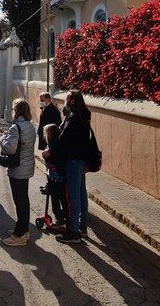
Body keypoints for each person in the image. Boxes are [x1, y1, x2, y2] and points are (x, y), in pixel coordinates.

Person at [56, 89, 92, 244]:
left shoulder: (73, 119)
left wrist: (62, 123)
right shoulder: (84, 117)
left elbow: (63, 139)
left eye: (66, 99)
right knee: (81, 194)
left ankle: (73, 231)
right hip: (82, 161)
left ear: (71, 101)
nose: (64, 102)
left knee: (74, 197)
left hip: (73, 161)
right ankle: (82, 227)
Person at [0, 98, 37, 246]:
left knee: (20, 201)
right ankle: (23, 229)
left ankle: (19, 234)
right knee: (23, 200)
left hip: (18, 168)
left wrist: (3, 137)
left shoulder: (16, 127)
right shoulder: (29, 125)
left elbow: (10, 148)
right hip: (27, 166)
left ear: (17, 111)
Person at [41, 123, 68, 230]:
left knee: (56, 201)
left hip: (56, 179)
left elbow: (46, 155)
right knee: (62, 200)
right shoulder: (59, 144)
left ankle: (60, 220)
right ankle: (64, 219)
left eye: (45, 133)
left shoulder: (53, 146)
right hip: (58, 178)